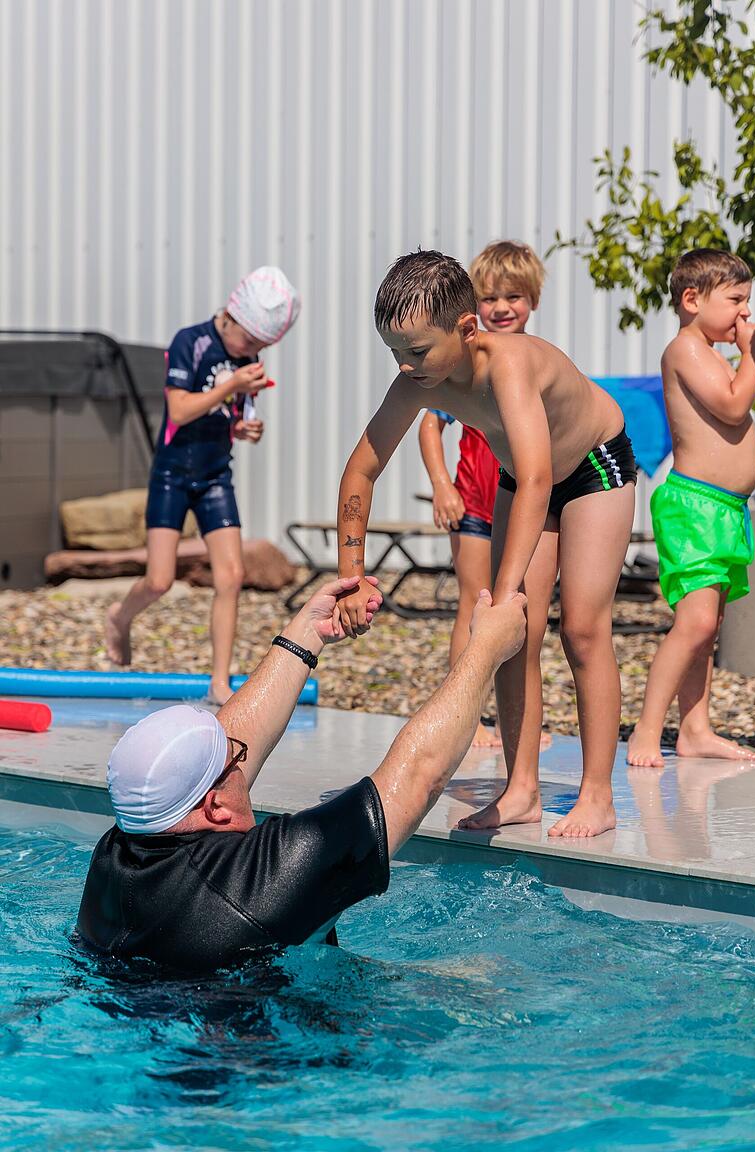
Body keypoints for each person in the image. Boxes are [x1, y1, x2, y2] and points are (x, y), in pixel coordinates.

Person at [77, 577, 527, 973]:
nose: (241, 752)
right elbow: (419, 775)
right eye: (235, 757)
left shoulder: (116, 855)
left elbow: (210, 764)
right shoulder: (259, 881)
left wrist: (306, 633)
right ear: (213, 807)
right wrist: (485, 650)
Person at [335, 250, 637, 838]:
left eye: (417, 351)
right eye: (395, 351)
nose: (405, 364)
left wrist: (502, 596)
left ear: (467, 329)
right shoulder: (417, 384)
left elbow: (541, 477)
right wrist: (352, 576)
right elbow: (360, 474)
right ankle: (521, 789)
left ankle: (597, 794)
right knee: (513, 636)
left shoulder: (509, 366)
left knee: (581, 628)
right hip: (521, 477)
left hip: (592, 467)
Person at [105, 267, 301, 705]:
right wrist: (231, 384)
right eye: (249, 342)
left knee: (230, 577)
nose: (252, 352)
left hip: (215, 474)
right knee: (158, 580)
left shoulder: (246, 361)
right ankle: (120, 616)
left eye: (261, 347)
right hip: (173, 473)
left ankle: (219, 681)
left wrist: (244, 428)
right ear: (232, 315)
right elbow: (178, 410)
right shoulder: (189, 342)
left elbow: (229, 417)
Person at [627, 249, 755, 768]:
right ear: (692, 299)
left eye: (747, 302)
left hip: (727, 510)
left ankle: (695, 728)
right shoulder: (684, 349)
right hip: (693, 509)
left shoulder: (712, 354)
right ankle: (646, 729)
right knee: (694, 624)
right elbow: (732, 405)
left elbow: (727, 425)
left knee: (710, 628)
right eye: (735, 301)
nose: (745, 315)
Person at [418, 240, 546, 747]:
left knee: (519, 609)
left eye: (512, 297)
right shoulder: (468, 364)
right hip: (474, 499)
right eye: (489, 298)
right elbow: (432, 427)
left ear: (531, 300)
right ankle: (465, 717)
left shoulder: (535, 360)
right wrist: (441, 486)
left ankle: (513, 720)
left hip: (523, 504)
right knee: (475, 603)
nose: (501, 308)